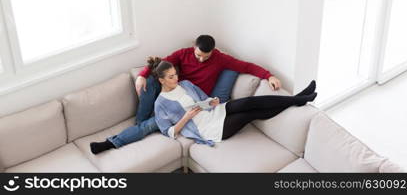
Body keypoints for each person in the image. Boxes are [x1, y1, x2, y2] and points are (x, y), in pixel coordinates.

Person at [90, 35, 284, 154]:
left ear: (213, 52)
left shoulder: (220, 59)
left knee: (148, 126)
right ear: (194, 46)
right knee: (149, 89)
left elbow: (246, 66)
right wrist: (141, 76)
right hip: (177, 95)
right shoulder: (183, 54)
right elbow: (161, 64)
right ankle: (126, 131)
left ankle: (113, 141)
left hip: (195, 100)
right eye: (198, 54)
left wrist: (269, 76)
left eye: (205, 57)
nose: (200, 60)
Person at [153, 59, 317, 145]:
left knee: (249, 102)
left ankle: (298, 98)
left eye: (175, 74)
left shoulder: (185, 85)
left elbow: (203, 101)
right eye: (171, 77)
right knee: (250, 115)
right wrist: (186, 117)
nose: (176, 78)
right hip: (210, 129)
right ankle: (299, 100)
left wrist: (212, 102)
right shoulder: (160, 103)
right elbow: (169, 132)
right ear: (161, 80)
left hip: (215, 111)